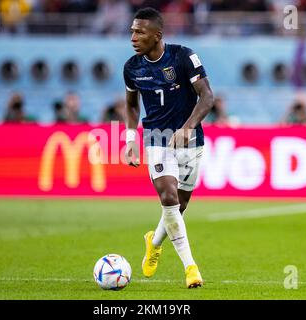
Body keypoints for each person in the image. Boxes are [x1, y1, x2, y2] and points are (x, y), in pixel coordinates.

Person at [123, 8, 213, 288]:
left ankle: (155, 241)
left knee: (180, 205)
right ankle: (191, 268)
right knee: (169, 197)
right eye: (132, 32)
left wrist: (187, 127)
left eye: (140, 32)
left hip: (191, 139)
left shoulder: (184, 57)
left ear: (157, 36)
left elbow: (207, 97)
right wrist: (129, 140)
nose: (133, 38)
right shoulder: (132, 68)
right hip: (157, 138)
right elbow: (131, 104)